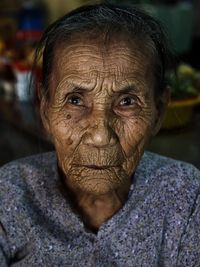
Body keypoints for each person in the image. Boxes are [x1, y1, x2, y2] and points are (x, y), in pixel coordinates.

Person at [0, 3, 200, 267]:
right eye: (75, 100)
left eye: (127, 101)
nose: (100, 136)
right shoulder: (8, 195)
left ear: (159, 111)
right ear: (46, 108)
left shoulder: (187, 197)